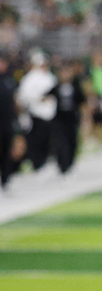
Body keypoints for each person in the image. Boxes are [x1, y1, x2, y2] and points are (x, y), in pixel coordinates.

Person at [15, 50, 55, 172]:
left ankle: (44, 161)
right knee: (36, 141)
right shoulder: (30, 78)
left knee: (47, 141)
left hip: (49, 115)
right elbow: (24, 96)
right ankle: (36, 163)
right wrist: (39, 98)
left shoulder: (48, 76)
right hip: (36, 114)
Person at [49, 61, 87, 176]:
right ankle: (62, 166)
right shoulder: (56, 87)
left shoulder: (76, 86)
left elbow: (82, 103)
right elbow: (46, 98)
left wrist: (85, 119)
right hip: (59, 120)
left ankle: (70, 164)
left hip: (72, 120)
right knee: (60, 143)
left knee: (72, 142)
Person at [0, 54, 17, 192]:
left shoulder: (10, 79)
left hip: (7, 122)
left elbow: (15, 101)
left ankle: (5, 179)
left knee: (7, 151)